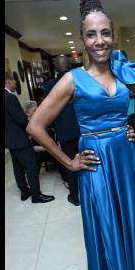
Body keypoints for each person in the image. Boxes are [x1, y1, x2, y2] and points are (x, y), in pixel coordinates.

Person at [27, 0, 135, 270]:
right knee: (106, 225)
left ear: (113, 35)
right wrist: (69, 162)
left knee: (132, 220)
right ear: (82, 40)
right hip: (95, 165)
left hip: (126, 159)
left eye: (104, 32)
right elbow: (35, 126)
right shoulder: (71, 80)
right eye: (91, 34)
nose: (99, 40)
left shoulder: (124, 73)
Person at [4, 73, 55, 203]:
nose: (15, 82)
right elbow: (20, 118)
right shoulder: (9, 97)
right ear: (8, 81)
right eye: (13, 80)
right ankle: (36, 196)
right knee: (31, 167)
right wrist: (30, 128)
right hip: (20, 139)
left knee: (17, 167)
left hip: (9, 140)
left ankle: (24, 192)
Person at [43, 56, 82, 206]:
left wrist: (54, 128)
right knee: (87, 160)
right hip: (82, 129)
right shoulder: (79, 81)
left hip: (64, 132)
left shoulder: (49, 86)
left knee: (70, 164)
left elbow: (48, 111)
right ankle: (91, 193)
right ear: (69, 65)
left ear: (55, 67)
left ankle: (74, 197)